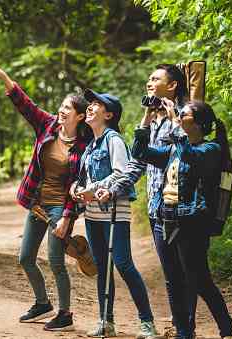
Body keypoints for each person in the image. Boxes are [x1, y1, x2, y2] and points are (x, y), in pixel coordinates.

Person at [0, 56, 92, 332]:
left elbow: (78, 184)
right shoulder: (48, 126)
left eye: (68, 108)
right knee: (25, 258)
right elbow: (25, 105)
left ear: (80, 116)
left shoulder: (83, 146)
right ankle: (42, 303)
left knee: (56, 261)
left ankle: (65, 314)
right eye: (62, 106)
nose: (62, 110)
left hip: (59, 209)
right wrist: (4, 76)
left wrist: (67, 219)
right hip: (37, 204)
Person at [95, 64, 198, 338]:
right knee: (171, 275)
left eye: (155, 78)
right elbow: (137, 164)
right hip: (156, 208)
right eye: (149, 78)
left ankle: (188, 331)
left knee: (189, 273)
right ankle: (181, 329)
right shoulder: (152, 120)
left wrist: (175, 118)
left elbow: (189, 150)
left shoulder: (187, 115)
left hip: (181, 207)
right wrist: (114, 188)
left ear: (173, 85)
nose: (149, 82)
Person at [131, 99, 232, 339]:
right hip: (164, 219)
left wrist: (174, 124)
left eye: (184, 113)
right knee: (173, 280)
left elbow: (190, 157)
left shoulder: (210, 150)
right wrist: (147, 118)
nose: (178, 115)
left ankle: (227, 329)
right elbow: (139, 152)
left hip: (192, 222)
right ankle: (183, 332)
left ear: (198, 123)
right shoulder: (172, 149)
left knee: (199, 279)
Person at [70, 89, 159, 338]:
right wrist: (77, 188)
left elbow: (121, 172)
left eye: (96, 104)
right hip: (93, 214)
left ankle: (147, 322)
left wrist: (93, 189)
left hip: (114, 212)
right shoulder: (91, 145)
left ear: (108, 114)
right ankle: (106, 321)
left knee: (123, 264)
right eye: (90, 103)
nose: (90, 106)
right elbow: (85, 177)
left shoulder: (113, 139)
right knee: (102, 266)